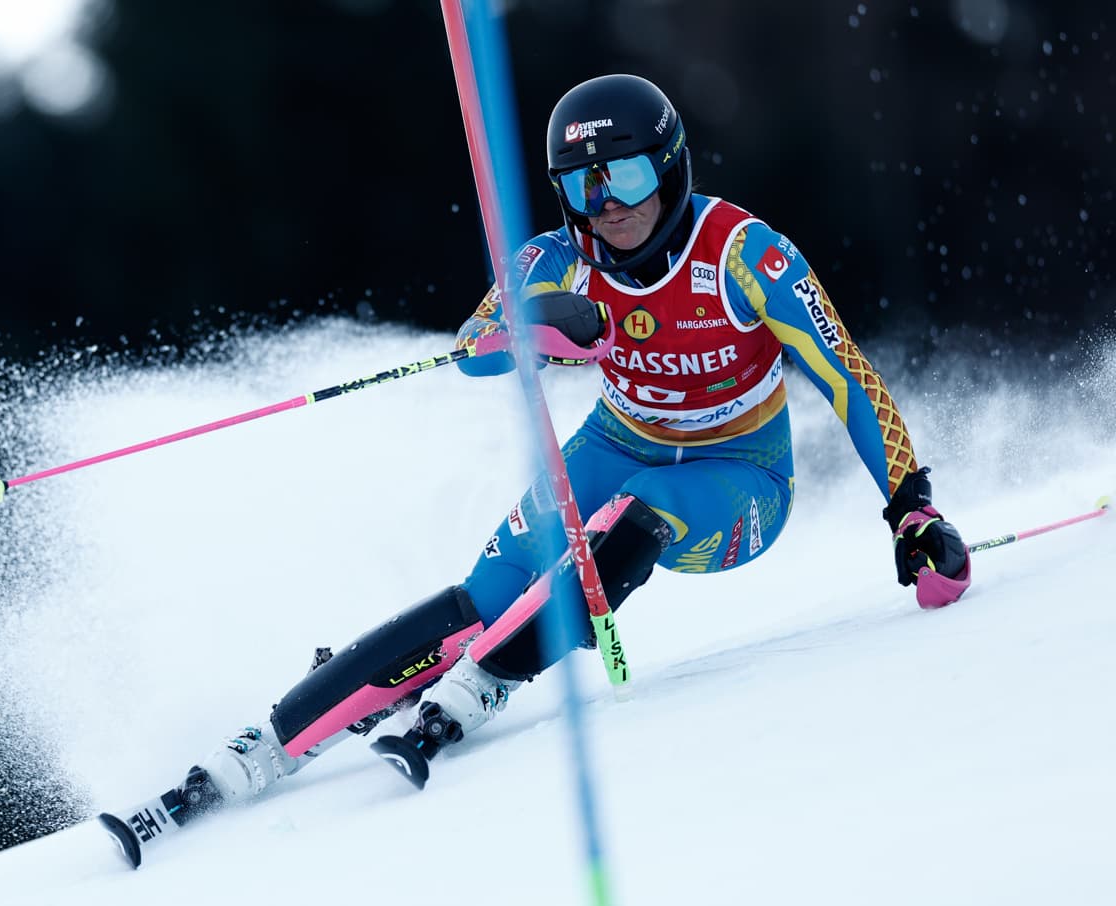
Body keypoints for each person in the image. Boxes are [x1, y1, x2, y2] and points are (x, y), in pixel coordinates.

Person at [99, 73, 971, 865]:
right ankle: (259, 749)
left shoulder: (744, 254)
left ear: (669, 168)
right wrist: (539, 322)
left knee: (633, 517)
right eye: (582, 186)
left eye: (624, 176)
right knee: (483, 595)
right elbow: (473, 348)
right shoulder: (562, 257)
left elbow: (847, 375)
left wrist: (912, 509)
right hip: (617, 440)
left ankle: (482, 686)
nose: (607, 205)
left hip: (735, 479)